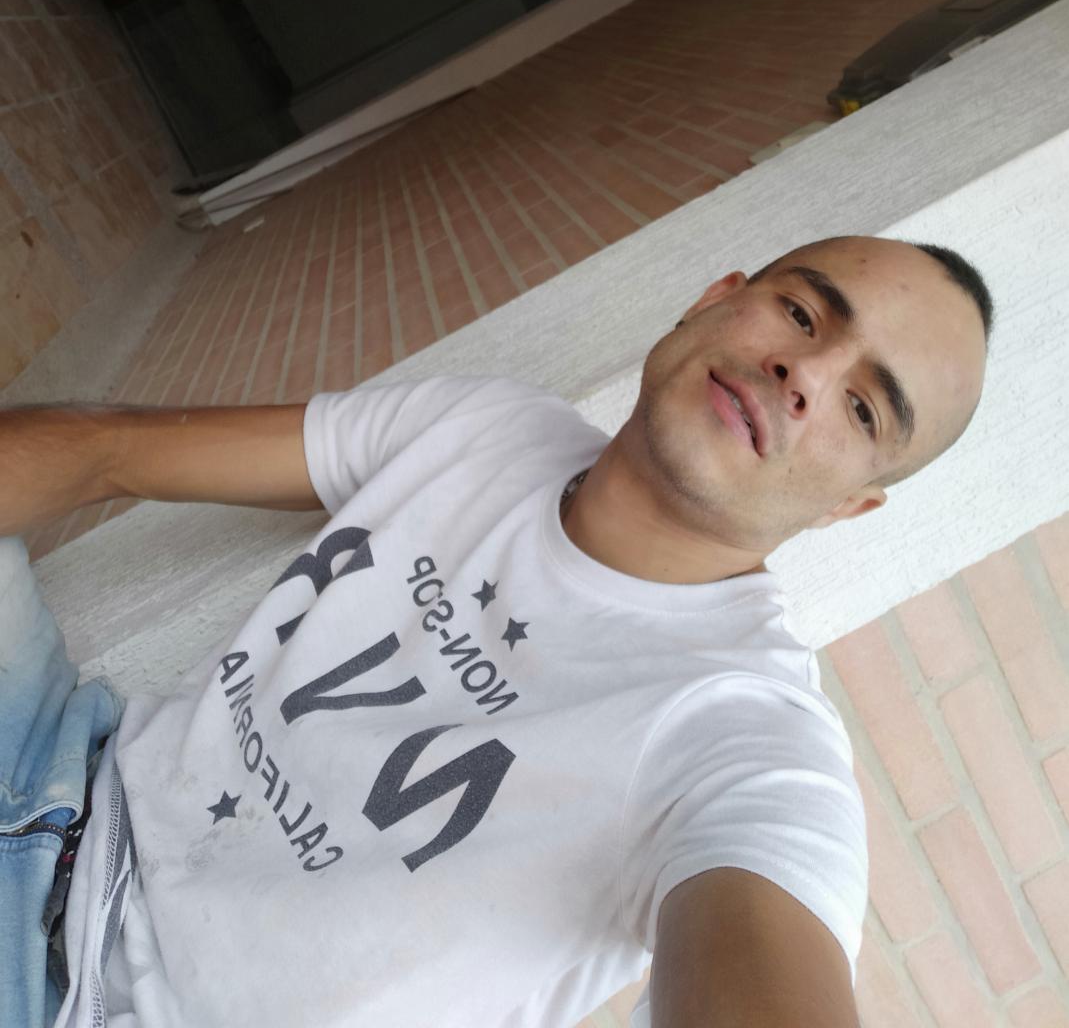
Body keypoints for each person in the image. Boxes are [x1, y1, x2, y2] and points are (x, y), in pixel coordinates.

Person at [0, 232, 992, 1028]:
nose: (802, 372)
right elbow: (104, 452)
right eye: (803, 312)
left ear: (848, 507)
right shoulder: (488, 427)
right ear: (712, 299)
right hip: (56, 775)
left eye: (862, 409)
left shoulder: (746, 735)